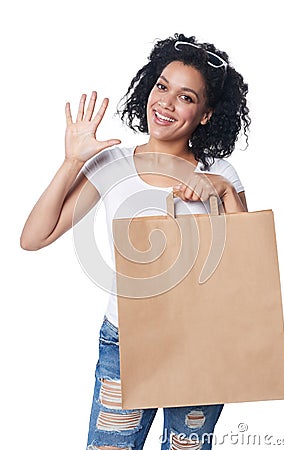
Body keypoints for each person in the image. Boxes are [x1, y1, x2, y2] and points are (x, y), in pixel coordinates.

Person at [20, 33, 250, 450]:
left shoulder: (222, 173)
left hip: (204, 340)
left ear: (205, 114)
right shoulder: (113, 163)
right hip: (126, 341)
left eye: (186, 97)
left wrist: (223, 192)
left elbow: (249, 265)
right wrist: (73, 160)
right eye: (162, 86)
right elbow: (34, 237)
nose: (166, 102)